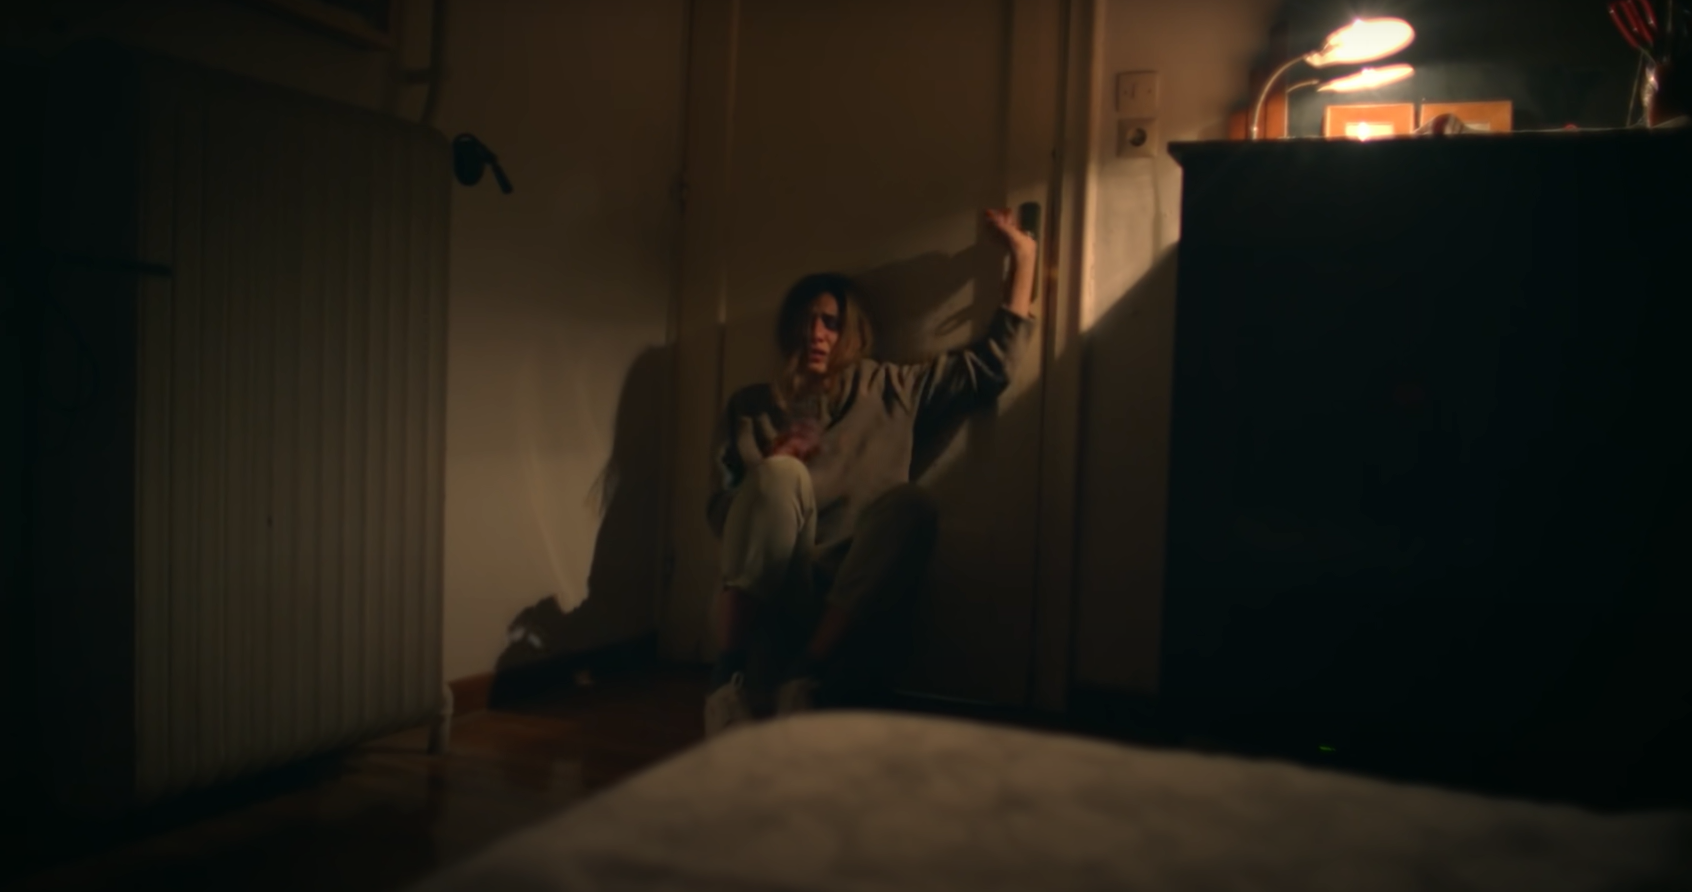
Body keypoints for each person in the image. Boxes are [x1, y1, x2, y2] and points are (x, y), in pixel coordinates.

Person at [703, 208, 1037, 737]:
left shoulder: (890, 389)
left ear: (851, 331)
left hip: (851, 607)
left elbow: (991, 368)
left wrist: (1024, 258)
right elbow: (719, 510)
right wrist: (765, 479)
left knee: (913, 504)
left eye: (830, 322)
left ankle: (806, 677)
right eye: (806, 320)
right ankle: (727, 682)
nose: (816, 333)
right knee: (778, 475)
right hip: (774, 596)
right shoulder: (750, 408)